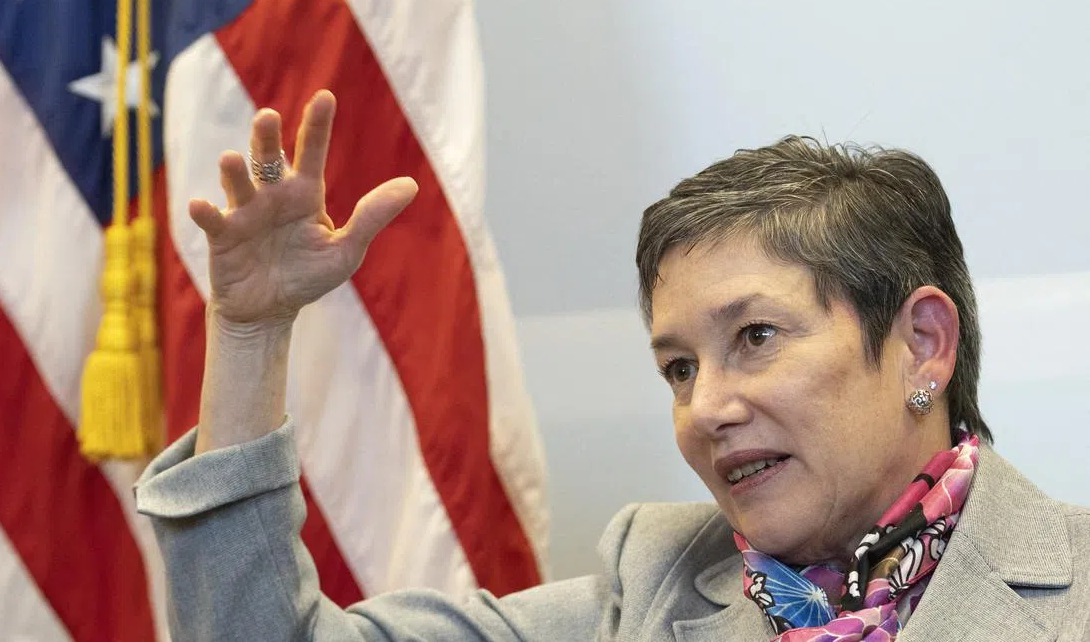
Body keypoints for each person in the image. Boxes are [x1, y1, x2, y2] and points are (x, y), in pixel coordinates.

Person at [136, 90, 1090, 641]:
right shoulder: (655, 585)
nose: (707, 407)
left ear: (923, 343)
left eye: (754, 338)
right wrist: (252, 335)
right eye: (678, 368)